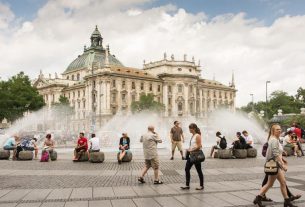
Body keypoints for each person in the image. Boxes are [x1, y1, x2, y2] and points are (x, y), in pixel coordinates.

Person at [253, 124, 297, 207]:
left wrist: (282, 152)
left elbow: (277, 151)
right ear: (273, 131)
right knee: (270, 184)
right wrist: (282, 164)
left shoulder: (275, 139)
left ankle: (287, 201)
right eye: (277, 129)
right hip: (274, 164)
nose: (279, 130)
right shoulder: (273, 140)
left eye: (280, 129)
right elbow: (275, 153)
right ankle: (258, 198)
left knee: (282, 182)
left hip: (276, 164)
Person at [181, 123, 204, 190]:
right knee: (187, 169)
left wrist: (191, 149)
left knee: (199, 170)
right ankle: (187, 185)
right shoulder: (193, 135)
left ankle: (201, 185)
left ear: (193, 129)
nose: (189, 130)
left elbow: (199, 146)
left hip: (196, 155)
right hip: (191, 155)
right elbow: (194, 145)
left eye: (190, 128)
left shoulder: (197, 136)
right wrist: (189, 150)